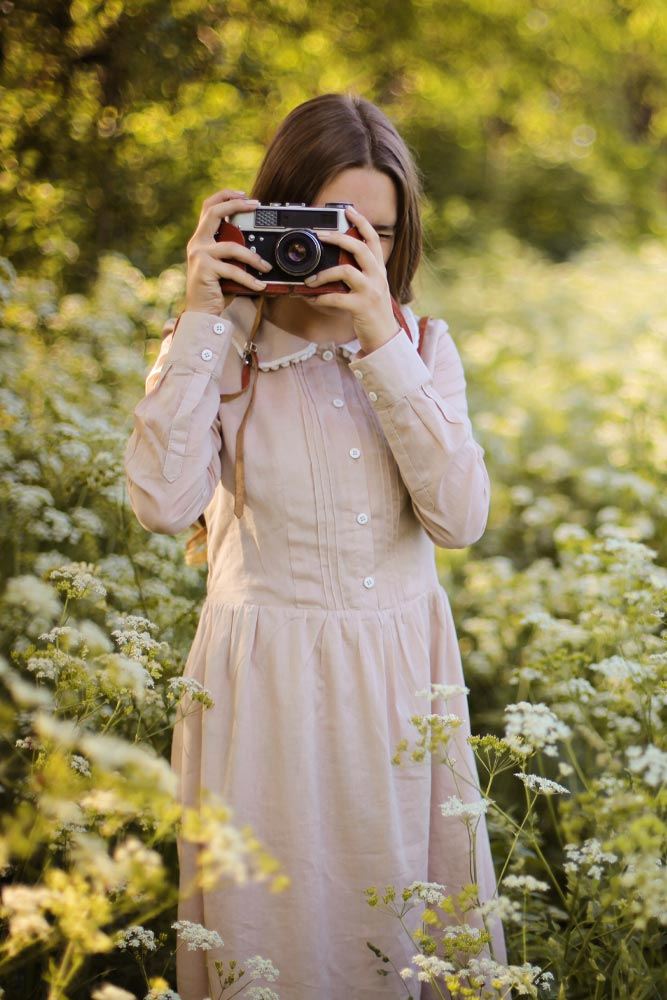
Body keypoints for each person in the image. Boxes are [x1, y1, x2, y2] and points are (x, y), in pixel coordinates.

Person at [124, 92, 507, 1000]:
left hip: (399, 679)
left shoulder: (418, 346)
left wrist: (381, 339)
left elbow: (459, 519)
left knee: (406, 924)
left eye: (368, 233)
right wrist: (204, 316)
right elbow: (157, 501)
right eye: (322, 227)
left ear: (396, 238)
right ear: (270, 217)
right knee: (270, 937)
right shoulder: (223, 350)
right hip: (262, 691)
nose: (342, 254)